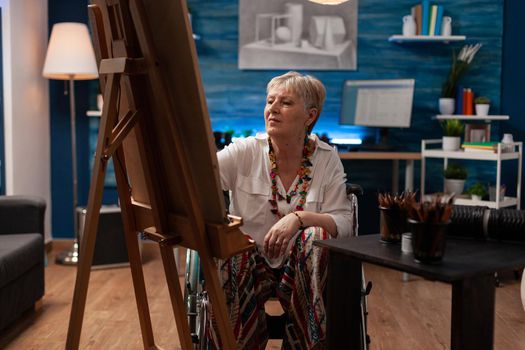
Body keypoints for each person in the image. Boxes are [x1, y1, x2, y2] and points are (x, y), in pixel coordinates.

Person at [211, 71, 353, 349]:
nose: (272, 108)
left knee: (317, 234)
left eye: (285, 103)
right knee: (231, 248)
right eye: (270, 101)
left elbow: (345, 223)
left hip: (303, 270)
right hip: (250, 268)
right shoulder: (245, 151)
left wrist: (298, 219)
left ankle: (304, 343)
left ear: (309, 116)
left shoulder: (327, 159)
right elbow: (199, 180)